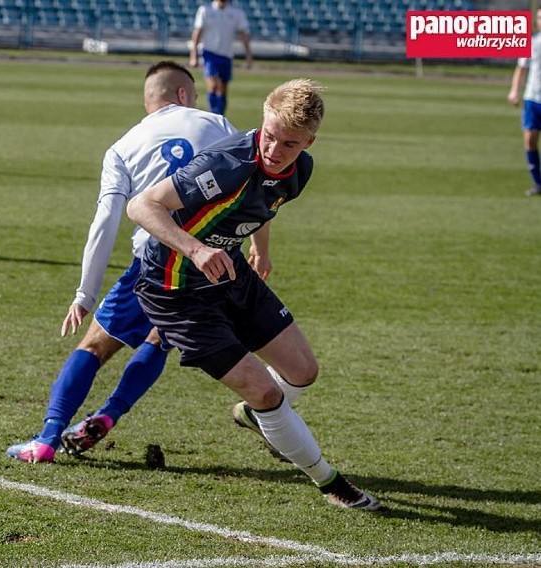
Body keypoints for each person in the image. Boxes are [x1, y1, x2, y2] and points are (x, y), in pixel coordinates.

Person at [127, 79, 382, 511]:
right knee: (266, 392)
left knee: (303, 370)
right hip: (175, 291)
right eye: (269, 136)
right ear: (262, 120)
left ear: (308, 142)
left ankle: (256, 419)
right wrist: (195, 248)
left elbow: (264, 204)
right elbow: (142, 205)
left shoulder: (300, 170)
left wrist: (260, 250)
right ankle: (329, 481)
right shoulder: (225, 164)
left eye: (289, 143)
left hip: (230, 272)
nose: (275, 150)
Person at [6, 61, 239, 463]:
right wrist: (256, 247)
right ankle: (109, 413)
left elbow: (105, 222)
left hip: (155, 258)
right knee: (158, 341)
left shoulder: (123, 146)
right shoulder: (218, 124)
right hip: (210, 260)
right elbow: (249, 187)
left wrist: (85, 293)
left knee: (95, 345)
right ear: (183, 94)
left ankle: (46, 439)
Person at [189, 0, 253, 116]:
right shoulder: (206, 10)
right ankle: (213, 114)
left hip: (226, 55)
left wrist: (248, 55)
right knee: (213, 85)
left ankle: (220, 116)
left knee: (223, 88)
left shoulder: (236, 13)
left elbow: (243, 34)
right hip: (209, 53)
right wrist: (194, 55)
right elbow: (198, 32)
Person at [507, 7, 541, 197]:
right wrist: (514, 91)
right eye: (538, 18)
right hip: (532, 98)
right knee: (530, 140)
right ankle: (538, 183)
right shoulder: (532, 43)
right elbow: (521, 69)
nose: (540, 21)